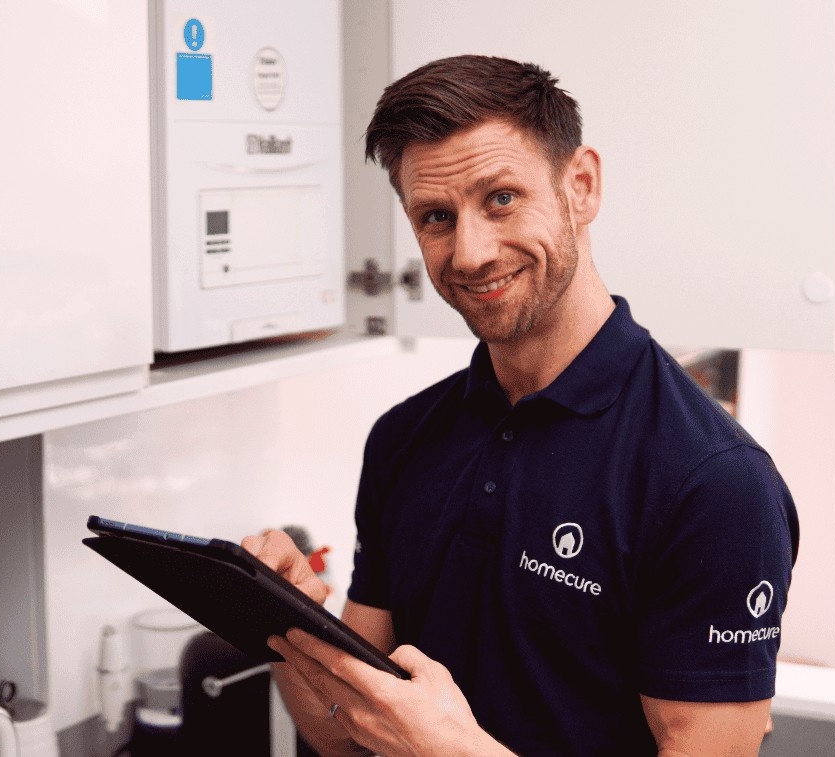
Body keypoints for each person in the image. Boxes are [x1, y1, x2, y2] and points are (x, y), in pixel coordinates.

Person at [242, 55, 799, 756]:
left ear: (582, 185)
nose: (470, 253)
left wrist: (451, 749)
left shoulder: (714, 481)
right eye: (436, 217)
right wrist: (282, 617)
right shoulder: (403, 438)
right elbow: (340, 733)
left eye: (501, 198)